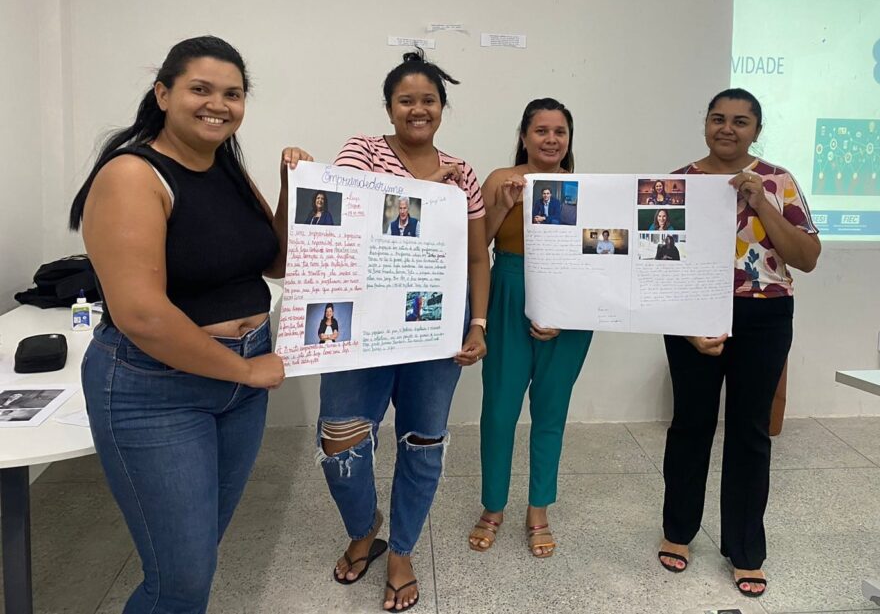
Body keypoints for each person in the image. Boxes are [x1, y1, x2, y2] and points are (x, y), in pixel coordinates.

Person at [67, 36, 311, 613]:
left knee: (197, 554)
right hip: (157, 389)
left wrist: (290, 189)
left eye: (233, 93)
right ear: (163, 93)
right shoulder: (133, 175)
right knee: (179, 578)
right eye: (200, 89)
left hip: (240, 380)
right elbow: (142, 316)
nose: (218, 104)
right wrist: (245, 371)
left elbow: (273, 260)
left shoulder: (226, 166)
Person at [321, 50, 488, 612]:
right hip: (364, 323)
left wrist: (479, 323)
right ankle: (365, 526)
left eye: (429, 101)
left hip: (435, 327)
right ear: (389, 107)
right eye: (406, 100)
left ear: (443, 108)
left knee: (423, 442)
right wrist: (423, 197)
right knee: (340, 439)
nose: (419, 110)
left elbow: (475, 259)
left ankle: (402, 551)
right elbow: (346, 220)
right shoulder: (362, 150)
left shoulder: (462, 172)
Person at [657, 88, 819, 598]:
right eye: (718, 118)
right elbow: (656, 265)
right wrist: (685, 324)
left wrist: (761, 202)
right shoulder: (677, 182)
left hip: (764, 312)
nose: (728, 128)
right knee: (690, 424)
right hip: (693, 315)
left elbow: (808, 256)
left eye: (741, 121)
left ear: (757, 128)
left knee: (750, 431)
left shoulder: (777, 180)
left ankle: (746, 549)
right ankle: (678, 531)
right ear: (705, 123)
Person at [467, 98, 593, 558]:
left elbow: (596, 256)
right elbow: (476, 248)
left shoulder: (582, 186)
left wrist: (568, 309)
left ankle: (538, 508)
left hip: (571, 300)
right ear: (524, 135)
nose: (551, 139)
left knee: (551, 410)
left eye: (560, 131)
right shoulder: (502, 179)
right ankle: (493, 505)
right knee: (499, 409)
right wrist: (502, 207)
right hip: (509, 288)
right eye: (541, 130)